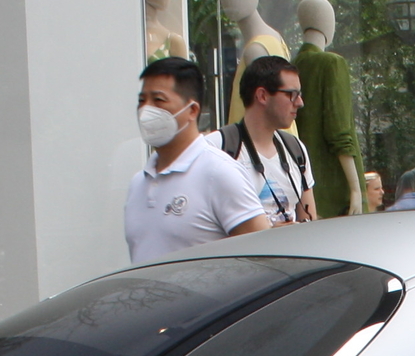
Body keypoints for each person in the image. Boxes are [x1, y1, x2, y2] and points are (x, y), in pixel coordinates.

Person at [125, 57, 270, 263]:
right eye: (142, 101)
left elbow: (264, 256)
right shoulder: (138, 183)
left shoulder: (219, 172)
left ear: (192, 110)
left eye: (158, 100)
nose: (146, 111)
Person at [217, 55, 316, 226]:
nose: (300, 103)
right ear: (262, 95)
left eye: (300, 94)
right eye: (292, 94)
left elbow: (310, 220)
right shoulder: (218, 147)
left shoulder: (296, 149)